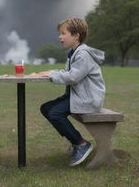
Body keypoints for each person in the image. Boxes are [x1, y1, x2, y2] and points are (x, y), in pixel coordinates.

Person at [33, 17, 105, 167]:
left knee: (55, 113)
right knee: (46, 108)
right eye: (60, 33)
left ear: (76, 35)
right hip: (78, 96)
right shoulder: (75, 52)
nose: (60, 37)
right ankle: (76, 142)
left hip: (88, 99)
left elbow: (72, 77)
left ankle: (80, 144)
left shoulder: (83, 54)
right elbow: (69, 72)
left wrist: (51, 75)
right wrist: (50, 71)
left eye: (63, 33)